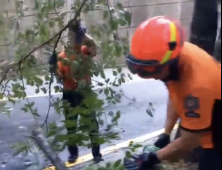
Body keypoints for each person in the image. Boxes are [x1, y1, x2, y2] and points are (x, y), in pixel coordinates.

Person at [123, 16, 221, 170]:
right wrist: (165, 135)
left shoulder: (197, 86)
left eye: (151, 71)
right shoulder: (176, 56)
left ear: (170, 62)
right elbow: (176, 94)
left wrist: (153, 158)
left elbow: (190, 140)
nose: (150, 76)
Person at [49, 19, 102, 163]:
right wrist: (54, 67)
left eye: (78, 36)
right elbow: (61, 77)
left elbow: (95, 48)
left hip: (85, 91)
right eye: (74, 36)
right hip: (69, 93)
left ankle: (96, 153)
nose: (77, 40)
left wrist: (83, 34)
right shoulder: (62, 56)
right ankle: (73, 154)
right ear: (69, 37)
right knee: (71, 125)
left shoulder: (85, 51)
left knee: (91, 123)